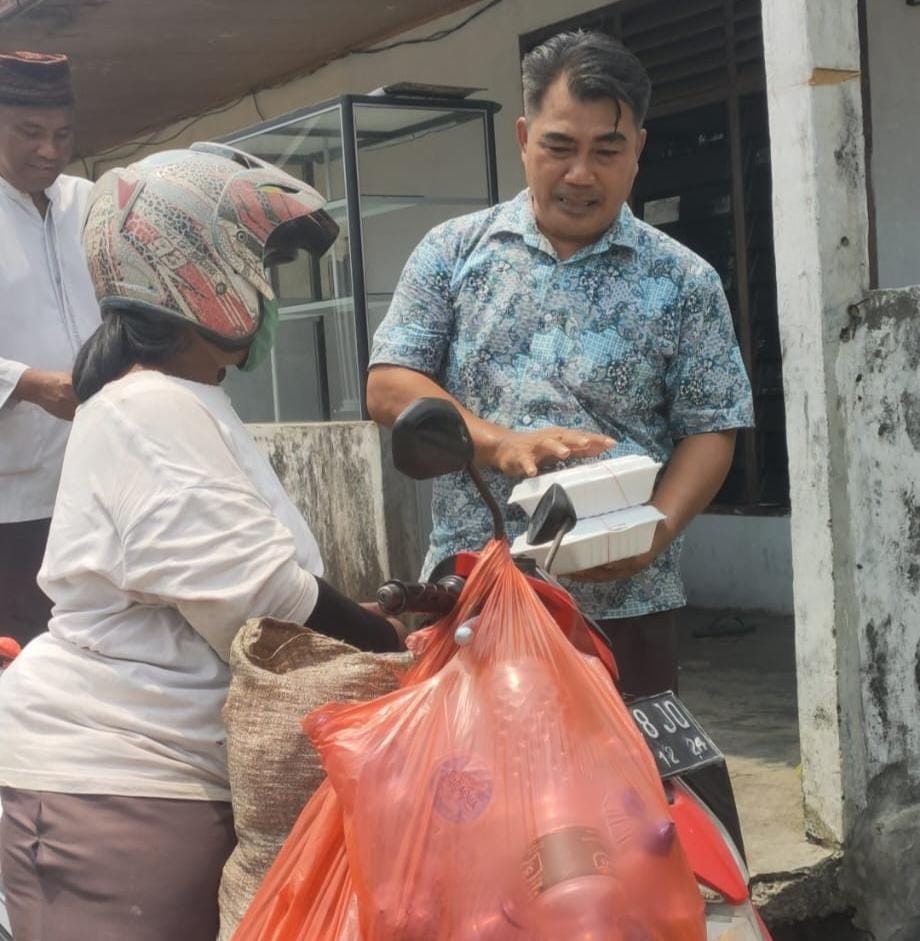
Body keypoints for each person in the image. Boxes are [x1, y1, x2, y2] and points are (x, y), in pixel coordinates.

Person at [0, 143, 403, 941]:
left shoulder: (176, 400)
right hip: (118, 782)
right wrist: (386, 645)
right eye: (267, 264)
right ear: (203, 274)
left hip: (166, 773)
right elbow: (259, 596)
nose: (274, 291)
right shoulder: (146, 409)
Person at [367, 30, 754, 698]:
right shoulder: (452, 252)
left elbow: (712, 427)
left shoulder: (684, 280)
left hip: (627, 611)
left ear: (638, 148)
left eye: (607, 149)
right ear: (523, 137)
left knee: (633, 799)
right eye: (558, 146)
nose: (581, 174)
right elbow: (389, 384)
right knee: (471, 795)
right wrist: (501, 444)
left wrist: (656, 529)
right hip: (474, 597)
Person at [0, 51, 101, 648]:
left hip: (95, 480)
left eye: (62, 134)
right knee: (22, 655)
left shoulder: (88, 203)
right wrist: (29, 383)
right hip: (10, 498)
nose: (48, 150)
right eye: (28, 133)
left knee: (89, 647)